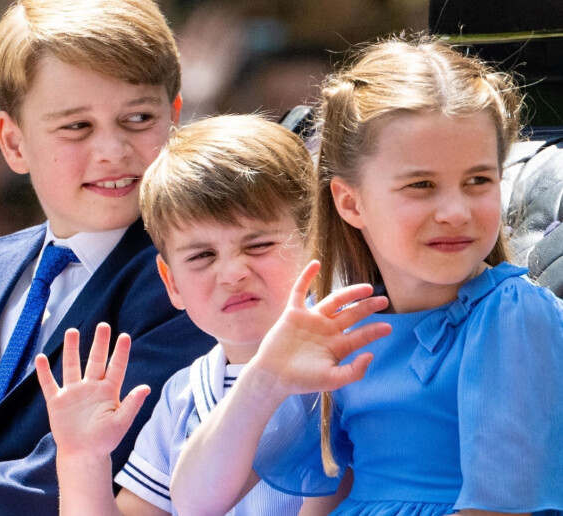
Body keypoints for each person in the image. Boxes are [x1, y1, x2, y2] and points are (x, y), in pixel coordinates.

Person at [170, 34, 563, 516]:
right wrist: (266, 376)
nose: (456, 210)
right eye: (422, 185)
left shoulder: (513, 317)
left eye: (478, 181)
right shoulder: (340, 324)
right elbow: (195, 501)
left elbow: (499, 508)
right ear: (351, 202)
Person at [34, 115, 384, 516]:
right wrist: (83, 459)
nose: (233, 273)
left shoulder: (353, 362)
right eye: (202, 256)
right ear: (172, 284)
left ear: (316, 240)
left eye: (258, 245)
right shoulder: (183, 395)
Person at [0, 0, 215, 514]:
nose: (112, 150)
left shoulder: (191, 278)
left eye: (137, 118)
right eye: (76, 127)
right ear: (14, 143)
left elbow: (63, 478)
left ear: (174, 118)